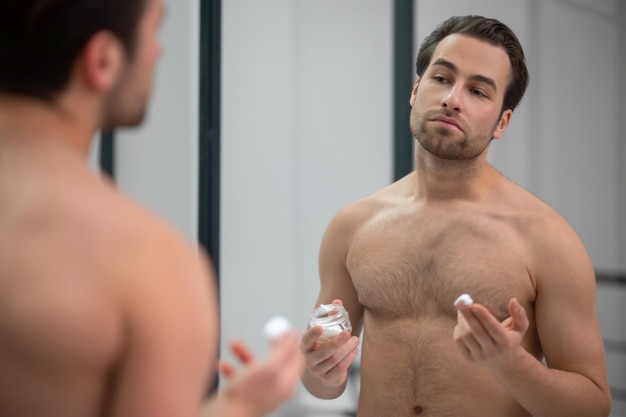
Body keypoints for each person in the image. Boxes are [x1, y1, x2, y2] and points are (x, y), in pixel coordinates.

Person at [300, 15, 611, 417]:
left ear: (502, 122)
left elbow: (593, 405)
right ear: (416, 89)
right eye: (442, 78)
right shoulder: (353, 225)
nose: (453, 99)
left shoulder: (547, 240)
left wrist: (512, 366)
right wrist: (319, 371)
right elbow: (323, 383)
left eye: (479, 91)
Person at [0, 0, 300, 416]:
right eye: (155, 31)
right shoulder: (148, 263)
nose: (158, 52)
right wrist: (239, 409)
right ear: (102, 60)